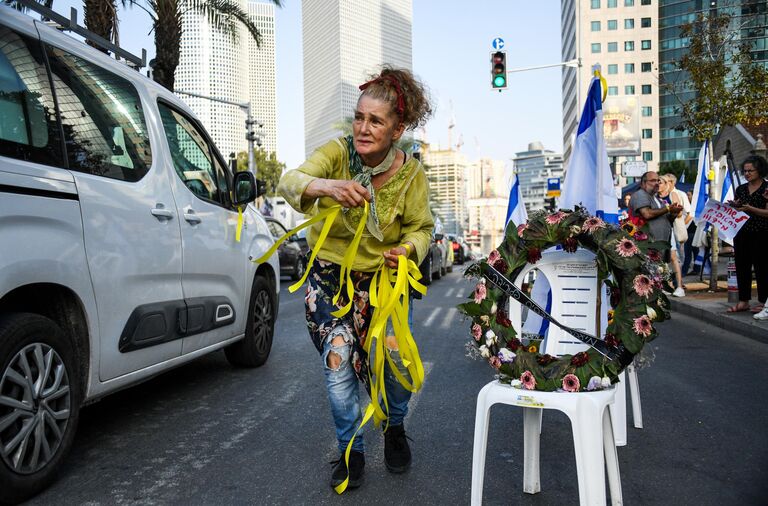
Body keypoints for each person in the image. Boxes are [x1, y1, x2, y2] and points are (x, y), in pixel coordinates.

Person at [276, 66, 433, 489]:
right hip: (330, 278)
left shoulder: (411, 174)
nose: (363, 128)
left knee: (396, 363)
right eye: (359, 117)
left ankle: (395, 426)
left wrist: (408, 250)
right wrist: (326, 186)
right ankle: (350, 449)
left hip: (384, 282)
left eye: (375, 121)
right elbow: (290, 180)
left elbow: (423, 228)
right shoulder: (337, 152)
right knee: (338, 360)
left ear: (397, 129)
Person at [727, 155, 768, 320]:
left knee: (762, 268)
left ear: (760, 171)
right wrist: (735, 206)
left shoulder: (766, 188)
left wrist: (749, 208)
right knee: (742, 266)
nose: (747, 174)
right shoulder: (741, 189)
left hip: (762, 233)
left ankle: (763, 300)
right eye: (745, 171)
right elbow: (738, 209)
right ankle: (744, 300)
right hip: (742, 232)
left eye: (751, 170)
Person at [630, 171, 683, 290]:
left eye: (657, 180)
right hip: (646, 246)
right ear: (643, 183)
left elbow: (665, 219)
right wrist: (668, 208)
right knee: (646, 282)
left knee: (655, 281)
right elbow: (647, 214)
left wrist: (674, 213)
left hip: (658, 248)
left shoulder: (656, 198)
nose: (656, 183)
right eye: (652, 180)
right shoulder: (640, 195)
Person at [659, 174, 689, 296]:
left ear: (667, 184)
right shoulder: (654, 196)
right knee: (661, 259)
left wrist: (670, 211)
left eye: (660, 182)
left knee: (673, 258)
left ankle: (679, 286)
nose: (657, 185)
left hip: (670, 230)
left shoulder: (673, 195)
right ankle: (666, 285)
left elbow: (680, 213)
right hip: (658, 231)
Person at [682, 189, 700, 276]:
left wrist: (682, 225)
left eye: (689, 195)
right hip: (693, 232)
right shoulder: (695, 205)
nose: (687, 196)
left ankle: (683, 272)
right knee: (695, 252)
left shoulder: (692, 206)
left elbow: (690, 215)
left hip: (691, 232)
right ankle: (696, 270)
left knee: (688, 254)